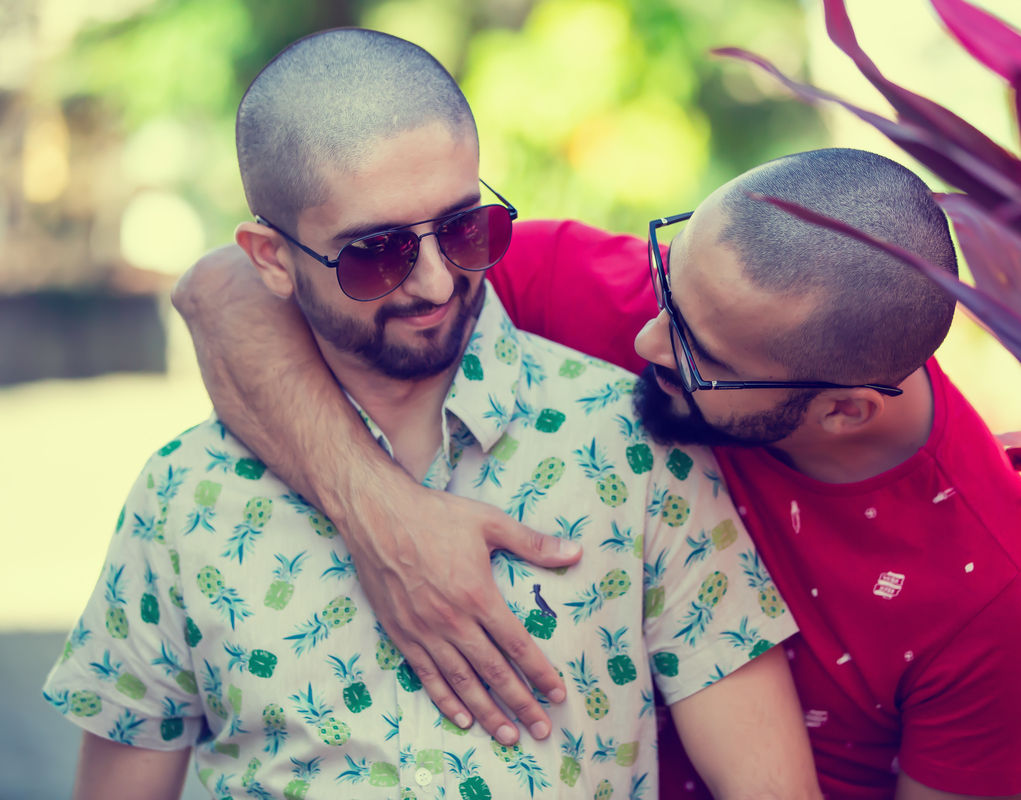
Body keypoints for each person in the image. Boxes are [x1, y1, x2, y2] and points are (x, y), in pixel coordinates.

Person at [173, 60, 1021, 800]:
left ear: (842, 409)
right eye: (666, 284)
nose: (642, 336)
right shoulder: (621, 299)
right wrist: (382, 518)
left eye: (691, 343)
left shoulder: (996, 610)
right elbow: (224, 287)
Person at [42, 30, 818, 800]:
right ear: (271, 259)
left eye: (463, 229)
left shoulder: (631, 449)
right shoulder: (185, 496)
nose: (438, 284)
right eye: (374, 253)